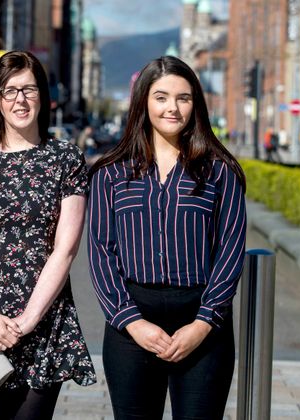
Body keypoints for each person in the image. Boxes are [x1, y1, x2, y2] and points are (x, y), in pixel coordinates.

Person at [87, 55, 246, 419]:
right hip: (132, 322)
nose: (172, 107)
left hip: (204, 321)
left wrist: (204, 322)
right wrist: (132, 321)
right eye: (161, 97)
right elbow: (100, 252)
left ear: (196, 104)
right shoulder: (111, 174)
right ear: (143, 101)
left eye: (183, 98)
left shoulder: (220, 171)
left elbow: (230, 250)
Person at [0, 50, 96, 419]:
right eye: (10, 91)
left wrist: (27, 321)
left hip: (44, 320)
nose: (20, 100)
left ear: (43, 97)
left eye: (29, 90)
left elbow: (66, 249)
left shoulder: (65, 157)